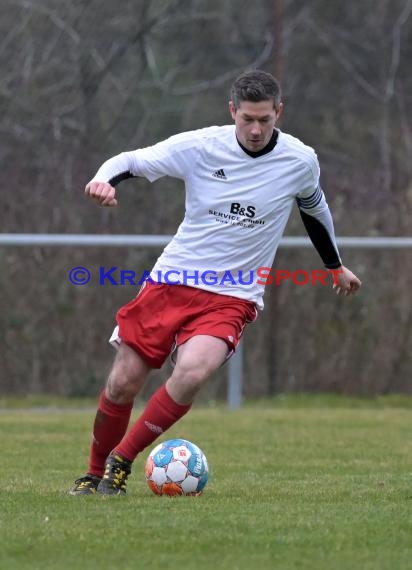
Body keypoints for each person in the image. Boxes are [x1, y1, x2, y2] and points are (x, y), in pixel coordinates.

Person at [70, 69, 361, 496]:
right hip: (172, 281)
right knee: (122, 382)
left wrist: (335, 265)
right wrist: (103, 180)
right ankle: (93, 474)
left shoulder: (300, 160)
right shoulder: (200, 147)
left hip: (233, 295)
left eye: (265, 119)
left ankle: (121, 461)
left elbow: (314, 210)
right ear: (232, 112)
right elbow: (130, 160)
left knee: (191, 373)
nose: (257, 129)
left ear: (279, 112)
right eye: (248, 119)